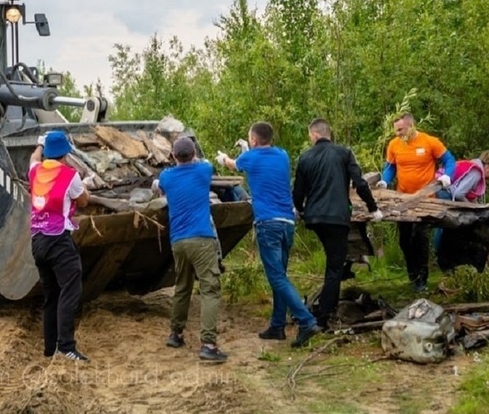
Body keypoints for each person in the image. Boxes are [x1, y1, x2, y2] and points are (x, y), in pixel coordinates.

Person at [216, 122, 321, 348]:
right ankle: (277, 326)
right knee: (279, 275)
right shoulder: (282, 155)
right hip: (287, 223)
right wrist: (246, 148)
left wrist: (223, 157)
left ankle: (306, 321)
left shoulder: (250, 158)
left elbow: (233, 165)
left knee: (276, 277)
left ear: (253, 140)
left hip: (268, 223)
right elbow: (255, 161)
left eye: (249, 139)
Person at [292, 118, 384, 330]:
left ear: (314, 135)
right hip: (337, 218)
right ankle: (323, 318)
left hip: (315, 218)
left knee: (334, 260)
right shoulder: (344, 153)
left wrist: (301, 210)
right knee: (335, 265)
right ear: (327, 134)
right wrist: (373, 208)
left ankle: (328, 305)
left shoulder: (305, 157)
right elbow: (359, 183)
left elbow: (298, 191)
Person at [157, 136, 228, 362]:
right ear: (193, 154)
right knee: (210, 289)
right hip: (201, 239)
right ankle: (208, 344)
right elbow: (206, 165)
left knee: (182, 287)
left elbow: (160, 190)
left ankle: (176, 334)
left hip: (178, 241)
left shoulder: (166, 177)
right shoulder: (203, 171)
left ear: (173, 156)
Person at [29, 130, 91, 361]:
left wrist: (39, 143)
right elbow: (83, 200)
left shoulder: (35, 171)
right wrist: (85, 188)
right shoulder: (69, 175)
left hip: (37, 241)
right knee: (71, 289)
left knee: (51, 294)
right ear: (65, 153)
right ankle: (66, 346)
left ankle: (50, 348)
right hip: (58, 240)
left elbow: (33, 159)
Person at [376, 112, 456, 292]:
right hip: (402, 200)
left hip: (425, 200)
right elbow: (390, 167)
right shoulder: (394, 145)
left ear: (411, 126)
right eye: (395, 130)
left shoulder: (429, 142)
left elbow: (450, 160)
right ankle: (413, 276)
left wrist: (446, 176)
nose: (398, 134)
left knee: (419, 238)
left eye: (401, 130)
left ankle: (422, 279)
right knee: (405, 240)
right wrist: (385, 180)